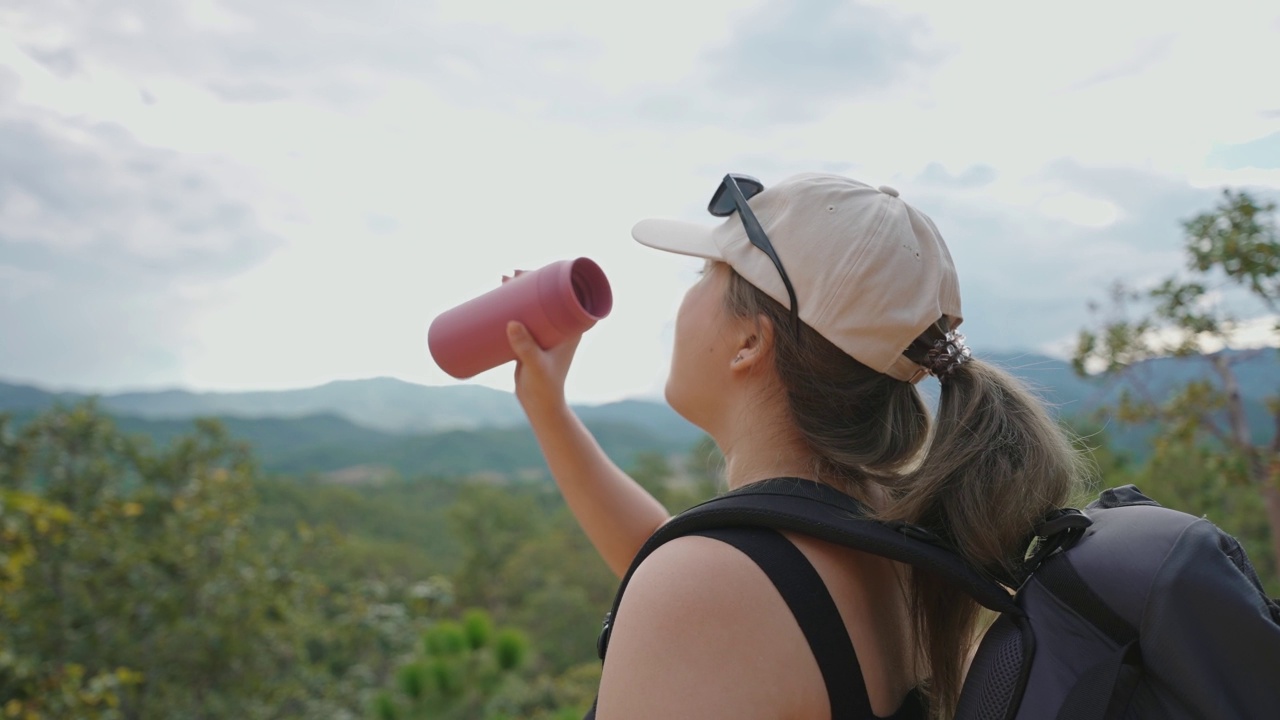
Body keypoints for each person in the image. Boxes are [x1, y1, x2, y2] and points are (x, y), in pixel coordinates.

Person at [505, 172, 1084, 719]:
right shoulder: (895, 532)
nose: (689, 296)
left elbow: (695, 580)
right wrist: (547, 407)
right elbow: (669, 554)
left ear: (750, 341)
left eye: (706, 274)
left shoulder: (710, 586)